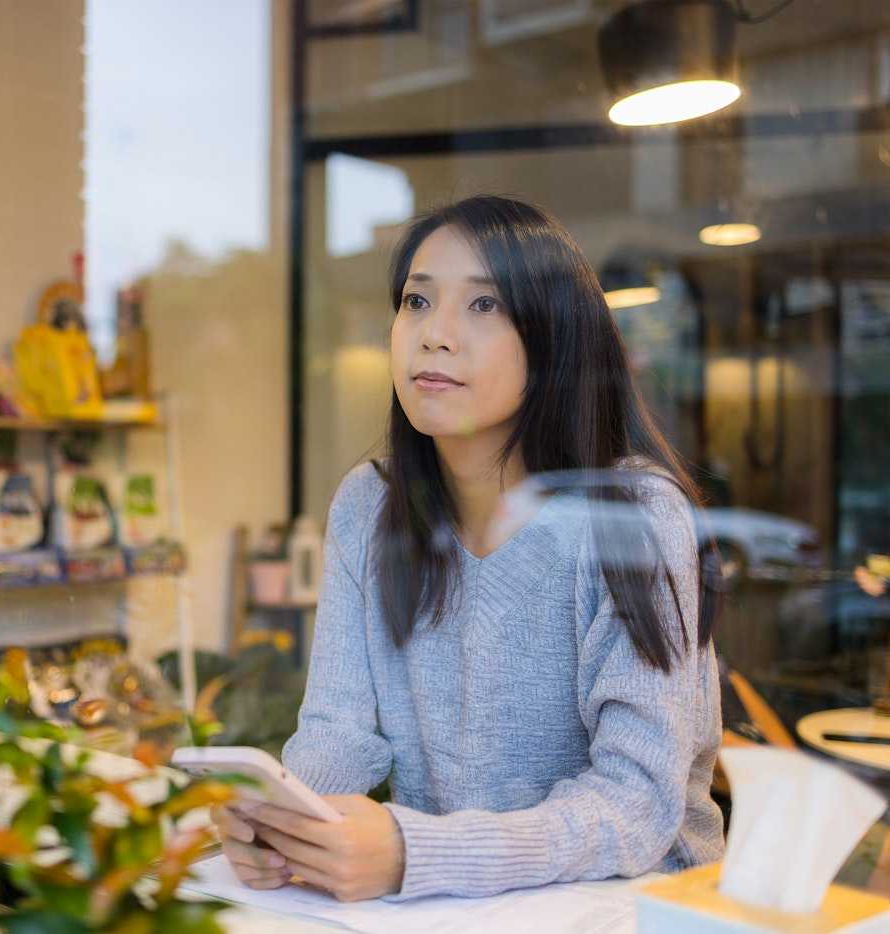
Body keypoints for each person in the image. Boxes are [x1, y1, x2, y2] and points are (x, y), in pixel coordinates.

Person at [211, 195, 724, 902]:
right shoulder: (370, 505)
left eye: (484, 307)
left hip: (635, 908)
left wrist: (413, 853)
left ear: (553, 338)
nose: (435, 335)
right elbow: (338, 731)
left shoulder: (633, 516)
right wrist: (281, 816)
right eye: (417, 301)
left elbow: (636, 807)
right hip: (456, 907)